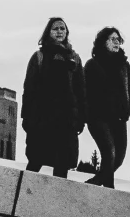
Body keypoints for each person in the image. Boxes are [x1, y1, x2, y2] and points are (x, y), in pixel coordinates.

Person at [21, 16, 84, 178]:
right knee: (35, 161)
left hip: (66, 120)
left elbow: (81, 91)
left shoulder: (74, 58)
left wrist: (81, 119)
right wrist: (26, 117)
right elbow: (29, 89)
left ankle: (57, 202)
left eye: (62, 28)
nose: (59, 31)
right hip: (42, 119)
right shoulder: (39, 57)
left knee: (62, 165)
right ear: (48, 32)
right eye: (55, 28)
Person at [84, 26, 130, 188]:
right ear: (103, 42)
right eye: (112, 39)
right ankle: (109, 191)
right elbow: (85, 91)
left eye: (118, 39)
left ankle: (94, 183)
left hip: (119, 119)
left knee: (118, 158)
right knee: (109, 154)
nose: (116, 42)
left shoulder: (124, 65)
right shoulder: (92, 65)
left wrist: (129, 107)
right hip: (99, 118)